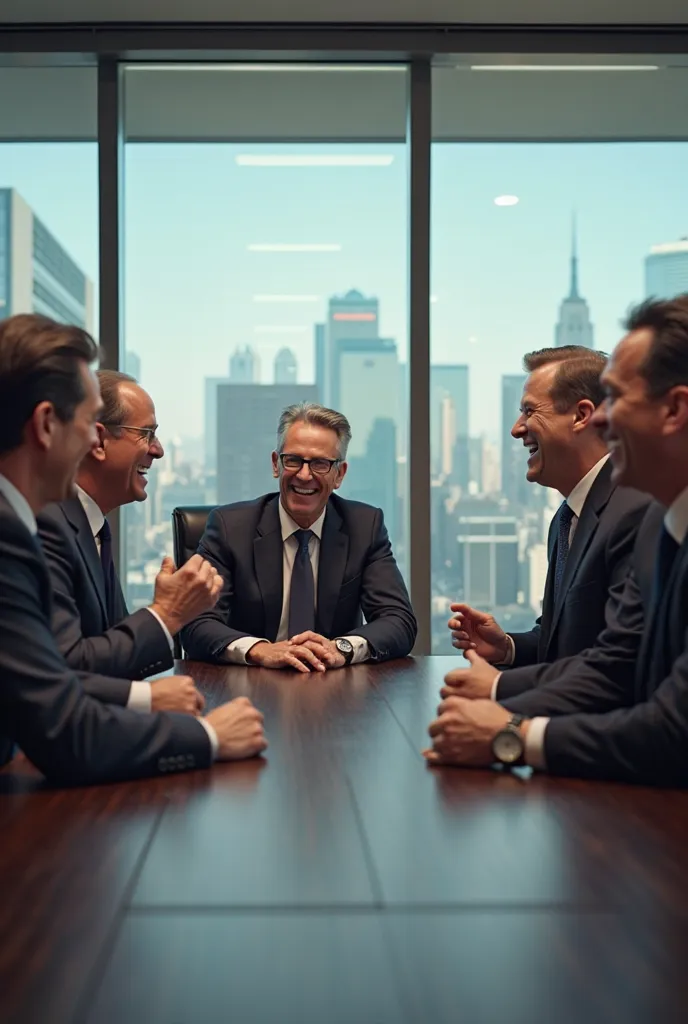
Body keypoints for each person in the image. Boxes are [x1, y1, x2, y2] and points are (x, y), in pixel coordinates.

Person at [425, 295, 688, 786]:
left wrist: (509, 724)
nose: (605, 421)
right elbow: (610, 656)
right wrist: (506, 652)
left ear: (673, 409)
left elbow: (659, 715)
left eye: (619, 401)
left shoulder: (636, 514)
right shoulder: (645, 522)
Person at [0, 313, 266, 784]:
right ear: (45, 425)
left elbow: (49, 678)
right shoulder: (19, 534)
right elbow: (62, 722)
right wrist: (207, 736)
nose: (89, 438)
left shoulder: (70, 525)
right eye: (86, 424)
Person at [447, 346, 649, 702]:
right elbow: (565, 640)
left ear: (581, 415)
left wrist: (497, 688)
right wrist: (507, 647)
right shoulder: (566, 517)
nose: (516, 429)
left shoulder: (633, 511)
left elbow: (618, 663)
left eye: (528, 411)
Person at [37, 370, 223, 715]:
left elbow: (113, 654)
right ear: (98, 440)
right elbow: (64, 670)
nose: (159, 450)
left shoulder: (91, 527)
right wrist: (166, 614)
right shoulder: (47, 525)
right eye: (147, 434)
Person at [182, 402, 417, 672]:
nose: (304, 476)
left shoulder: (365, 527)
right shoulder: (229, 527)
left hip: (335, 690)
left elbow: (399, 620)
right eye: (293, 460)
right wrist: (260, 650)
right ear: (275, 464)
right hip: (249, 687)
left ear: (339, 474)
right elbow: (195, 622)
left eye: (320, 464)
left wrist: (340, 648)